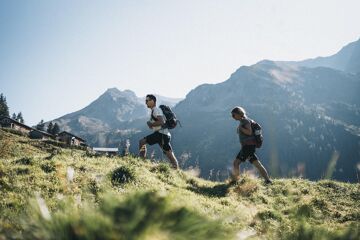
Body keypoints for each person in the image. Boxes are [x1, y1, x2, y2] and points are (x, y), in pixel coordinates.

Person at [231, 106, 272, 184]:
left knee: (236, 163)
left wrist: (240, 128)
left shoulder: (245, 121)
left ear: (239, 114)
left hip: (248, 147)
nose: (232, 117)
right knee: (257, 163)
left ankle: (235, 181)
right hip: (249, 147)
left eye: (233, 115)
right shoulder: (244, 121)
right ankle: (268, 180)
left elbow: (249, 132)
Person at [139, 94, 179, 169]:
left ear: (153, 101)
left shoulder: (156, 110)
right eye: (145, 100)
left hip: (161, 134)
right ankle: (176, 168)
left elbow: (161, 122)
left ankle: (142, 161)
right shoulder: (154, 111)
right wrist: (152, 125)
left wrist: (151, 124)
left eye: (147, 100)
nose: (145, 102)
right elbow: (159, 124)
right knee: (169, 154)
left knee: (142, 142)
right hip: (164, 134)